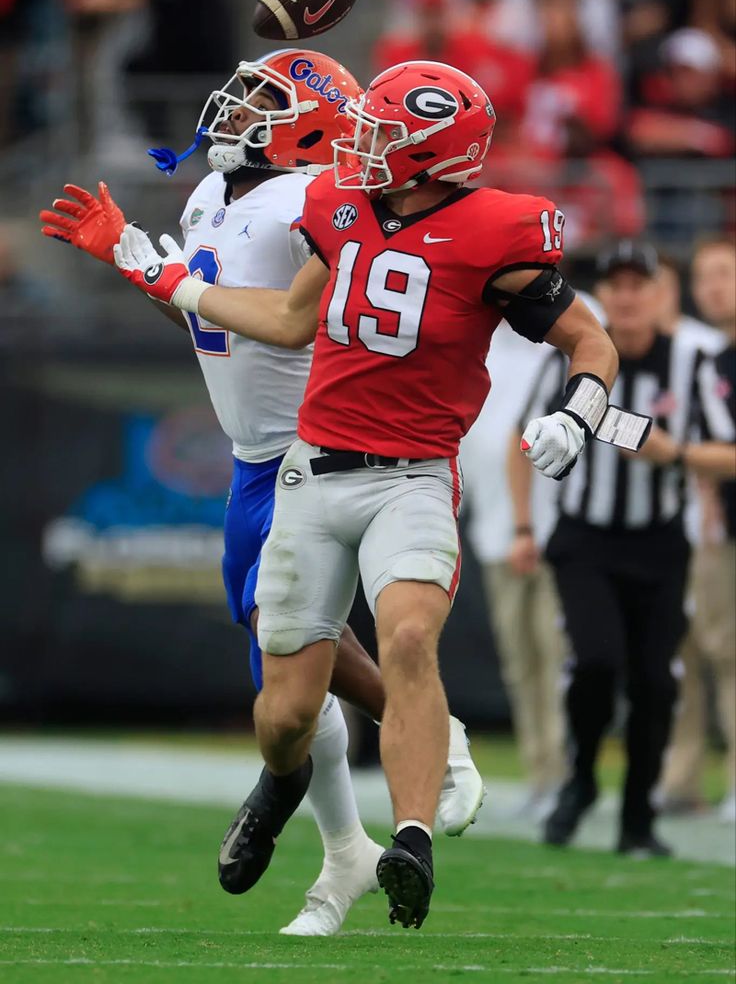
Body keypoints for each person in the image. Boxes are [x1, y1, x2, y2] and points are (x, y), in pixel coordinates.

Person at [103, 59, 625, 928]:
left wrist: (581, 414)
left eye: (387, 133)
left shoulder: (497, 230)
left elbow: (589, 340)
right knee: (285, 716)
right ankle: (286, 787)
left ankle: (409, 841)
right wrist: (174, 283)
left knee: (410, 637)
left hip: (415, 473)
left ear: (435, 156)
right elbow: (285, 319)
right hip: (312, 470)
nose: (363, 144)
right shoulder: (334, 208)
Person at [39, 48, 484, 936]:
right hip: (253, 456)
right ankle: (349, 839)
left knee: (295, 668)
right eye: (244, 92)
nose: (237, 108)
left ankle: (419, 746)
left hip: (320, 448)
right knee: (280, 678)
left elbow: (290, 322)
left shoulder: (310, 200)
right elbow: (207, 311)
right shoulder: (216, 193)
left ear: (312, 127)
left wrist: (161, 270)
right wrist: (138, 263)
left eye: (262, 98)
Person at [513, 240, 725, 857]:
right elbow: (517, 440)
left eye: (641, 285)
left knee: (657, 683)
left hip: (661, 542)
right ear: (602, 295)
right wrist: (525, 525)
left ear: (663, 294)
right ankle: (579, 781)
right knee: (598, 661)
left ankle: (638, 819)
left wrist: (675, 454)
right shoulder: (571, 357)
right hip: (585, 539)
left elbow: (728, 452)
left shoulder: (694, 360)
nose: (628, 298)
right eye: (617, 286)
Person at [460, 322, 566, 820]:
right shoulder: (471, 339)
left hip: (557, 533)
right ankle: (542, 774)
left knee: (559, 658)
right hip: (496, 532)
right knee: (522, 664)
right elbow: (466, 443)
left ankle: (567, 775)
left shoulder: (569, 328)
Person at [654, 237, 736, 822]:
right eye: (704, 275)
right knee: (718, 653)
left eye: (725, 274)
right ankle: (699, 781)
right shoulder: (715, 361)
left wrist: (676, 454)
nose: (712, 287)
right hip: (722, 531)